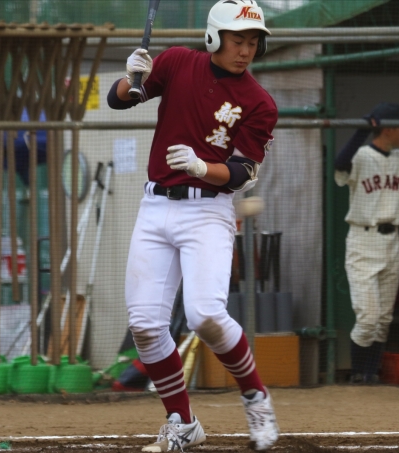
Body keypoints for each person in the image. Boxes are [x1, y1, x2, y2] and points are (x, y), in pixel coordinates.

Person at [106, 1, 279, 451]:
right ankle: (182, 423)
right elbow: (120, 99)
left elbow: (241, 172)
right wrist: (131, 76)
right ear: (214, 37)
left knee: (205, 316)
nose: (246, 50)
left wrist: (202, 167)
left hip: (208, 211)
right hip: (155, 205)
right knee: (145, 325)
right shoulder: (178, 62)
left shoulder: (259, 102)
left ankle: (256, 396)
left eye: (253, 42)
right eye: (238, 41)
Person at [334, 102, 399, 384]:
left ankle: (370, 374)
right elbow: (340, 165)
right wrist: (361, 130)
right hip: (363, 238)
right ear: (388, 129)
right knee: (368, 317)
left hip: (392, 240)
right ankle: (358, 373)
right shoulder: (361, 155)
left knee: (383, 318)